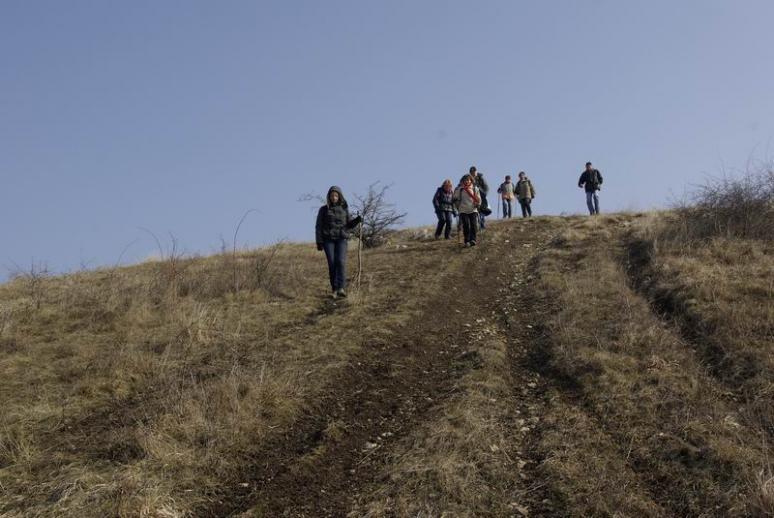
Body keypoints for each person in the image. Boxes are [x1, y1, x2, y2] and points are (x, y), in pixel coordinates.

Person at [315, 186, 362, 298]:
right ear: (329, 197)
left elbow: (348, 224)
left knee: (340, 261)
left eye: (336, 195)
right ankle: (334, 289)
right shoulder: (323, 209)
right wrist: (319, 241)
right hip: (328, 239)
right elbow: (318, 226)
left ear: (339, 196)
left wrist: (357, 220)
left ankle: (341, 288)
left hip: (341, 238)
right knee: (332, 263)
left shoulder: (344, 208)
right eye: (332, 196)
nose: (334, 197)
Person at [453, 174, 481, 247]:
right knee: (466, 225)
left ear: (471, 180)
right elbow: (455, 198)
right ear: (463, 181)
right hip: (463, 210)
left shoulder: (475, 188)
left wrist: (478, 204)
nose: (467, 181)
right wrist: (456, 203)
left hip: (473, 209)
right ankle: (467, 240)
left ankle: (473, 240)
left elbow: (478, 198)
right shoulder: (460, 189)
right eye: (465, 180)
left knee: (474, 225)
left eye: (468, 180)